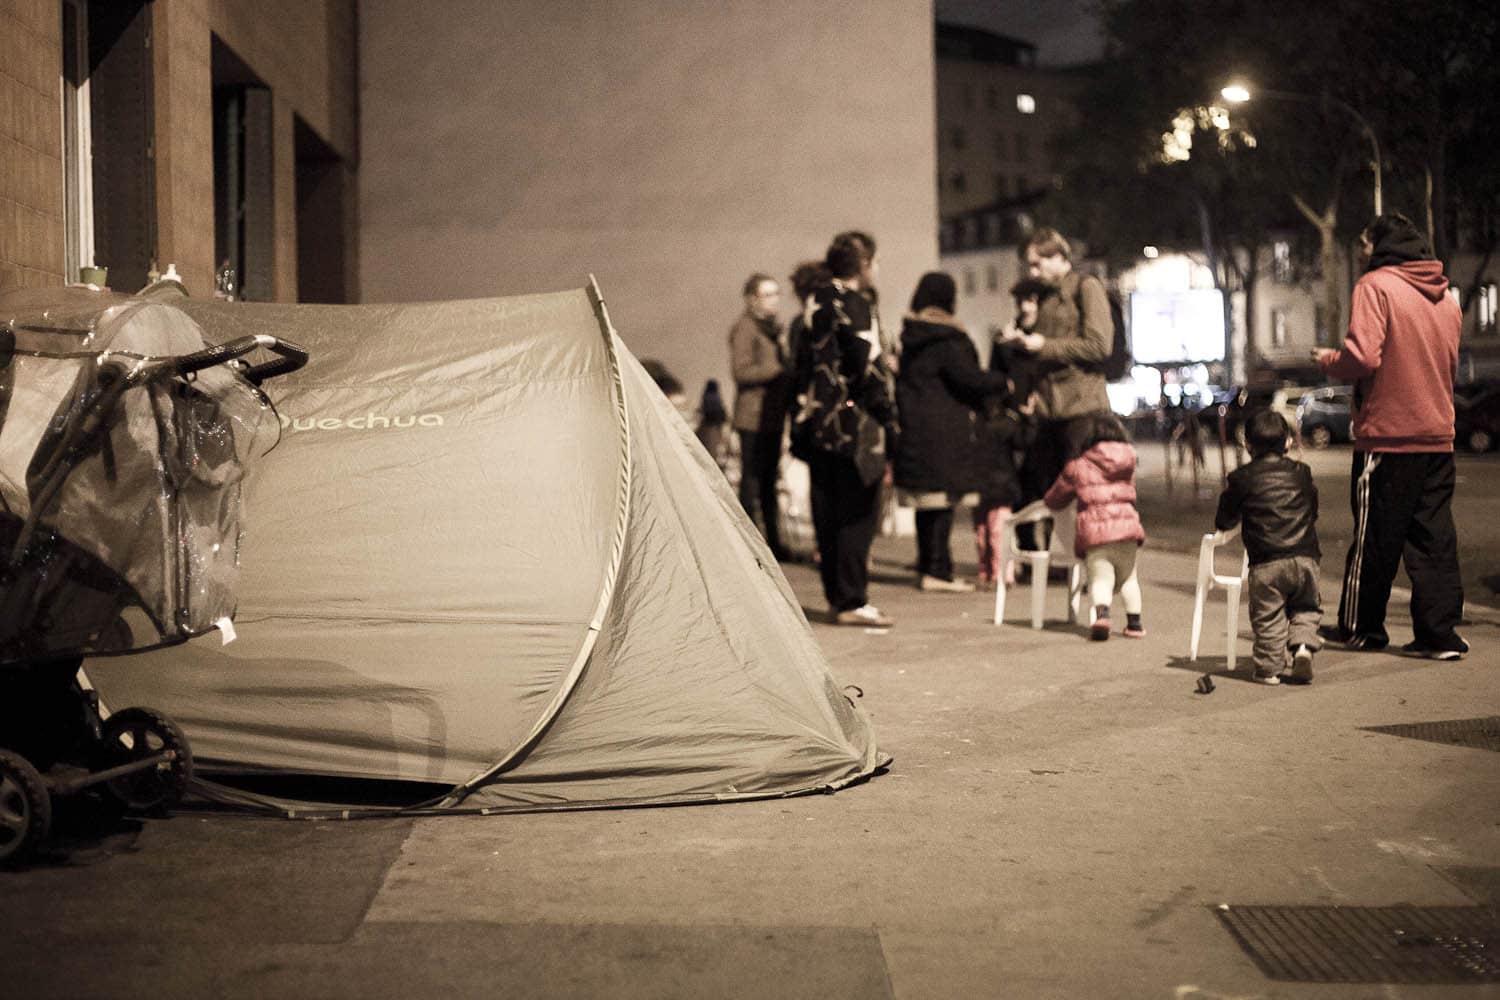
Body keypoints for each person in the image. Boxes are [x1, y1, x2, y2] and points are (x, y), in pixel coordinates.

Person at [1314, 211, 1467, 660]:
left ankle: (1362, 628)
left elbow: (1362, 357)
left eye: (1364, 244)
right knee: (1434, 537)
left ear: (1381, 244)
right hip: (1438, 435)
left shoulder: (1375, 286)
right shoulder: (1446, 298)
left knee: (1374, 538)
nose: (1361, 253)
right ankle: (1439, 635)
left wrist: (1328, 359)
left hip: (1388, 437)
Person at [790, 232, 898, 627]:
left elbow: (801, 367)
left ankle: (837, 597)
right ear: (864, 264)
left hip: (817, 423)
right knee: (857, 512)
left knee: (827, 511)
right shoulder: (855, 304)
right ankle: (853, 600)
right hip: (853, 427)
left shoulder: (813, 303)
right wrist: (889, 419)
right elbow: (866, 368)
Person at [892, 272, 1012, 592]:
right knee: (942, 501)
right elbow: (969, 379)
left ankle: (929, 565)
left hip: (917, 428)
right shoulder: (947, 339)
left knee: (927, 503)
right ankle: (938, 571)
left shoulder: (912, 336)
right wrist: (1003, 381)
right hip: (945, 431)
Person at [1004, 228, 1114, 512]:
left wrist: (1044, 345)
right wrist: (1023, 338)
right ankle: (1055, 557)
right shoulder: (1045, 297)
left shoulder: (1085, 287)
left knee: (1085, 499)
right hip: (1048, 413)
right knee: (1049, 501)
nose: (1032, 272)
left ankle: (1086, 557)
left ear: (1058, 256)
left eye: (1036, 264)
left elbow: (1099, 346)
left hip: (1081, 411)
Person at [1214, 410, 1322, 685]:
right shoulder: (1302, 472)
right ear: (1287, 442)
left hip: (1267, 562)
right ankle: (1302, 649)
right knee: (1307, 607)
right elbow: (1312, 508)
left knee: (1269, 615)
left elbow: (1225, 518)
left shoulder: (1242, 477)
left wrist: (1226, 525)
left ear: (1247, 445)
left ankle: (1269, 669)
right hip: (1306, 556)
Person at [1043, 412, 1145, 641]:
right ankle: (1135, 624)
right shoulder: (1129, 459)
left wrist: (1048, 502)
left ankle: (1102, 615)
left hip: (1096, 535)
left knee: (1101, 578)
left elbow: (1055, 498)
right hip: (1128, 530)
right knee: (1129, 579)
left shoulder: (1079, 465)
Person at [973, 279, 1045, 588]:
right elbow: (995, 380)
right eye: (1021, 301)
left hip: (1041, 421)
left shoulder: (1044, 337)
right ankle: (1024, 556)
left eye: (1030, 300)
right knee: (1017, 493)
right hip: (1014, 424)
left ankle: (1042, 556)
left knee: (1041, 489)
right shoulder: (1005, 341)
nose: (1026, 307)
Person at [729, 273, 793, 559]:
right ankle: (749, 544)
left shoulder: (772, 330)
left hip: (771, 416)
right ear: (753, 298)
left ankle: (774, 544)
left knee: (768, 481)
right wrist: (777, 371)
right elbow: (740, 371)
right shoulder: (746, 328)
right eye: (767, 295)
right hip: (752, 416)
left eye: (776, 293)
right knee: (752, 480)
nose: (774, 300)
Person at [695, 378, 730, 471]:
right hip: (714, 427)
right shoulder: (716, 398)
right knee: (713, 451)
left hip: (708, 426)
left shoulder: (707, 397)